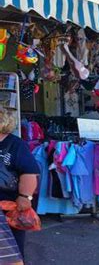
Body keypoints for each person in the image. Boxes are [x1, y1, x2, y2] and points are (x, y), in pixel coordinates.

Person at [0, 107, 40, 256]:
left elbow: (29, 172)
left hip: (8, 204)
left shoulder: (16, 144)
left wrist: (25, 197)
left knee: (10, 246)